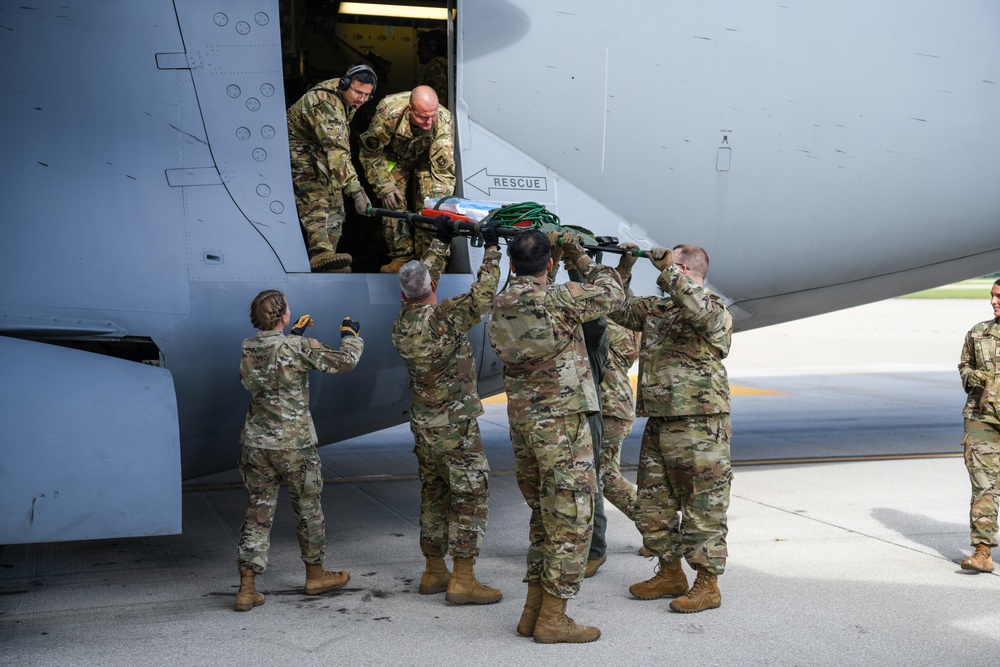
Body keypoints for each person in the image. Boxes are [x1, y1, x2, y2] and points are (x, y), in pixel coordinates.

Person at [488, 230, 625, 643]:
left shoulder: (502, 301)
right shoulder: (561, 298)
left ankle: (533, 612)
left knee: (545, 518)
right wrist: (579, 254)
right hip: (563, 423)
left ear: (512, 266)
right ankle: (554, 618)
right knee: (572, 520)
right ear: (549, 264)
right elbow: (613, 294)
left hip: (525, 424)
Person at [610, 244, 733, 614]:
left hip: (700, 423)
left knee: (702, 505)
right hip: (661, 419)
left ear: (680, 267)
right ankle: (669, 573)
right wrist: (624, 267)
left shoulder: (713, 306)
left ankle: (707, 584)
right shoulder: (659, 308)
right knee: (653, 504)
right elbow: (616, 307)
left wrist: (672, 273)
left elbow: (704, 316)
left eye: (668, 265)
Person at [390, 221, 503, 604]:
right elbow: (483, 295)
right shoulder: (444, 319)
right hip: (456, 428)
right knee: (471, 497)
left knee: (434, 493)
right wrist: (491, 248)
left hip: (424, 429)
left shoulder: (402, 324)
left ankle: (434, 571)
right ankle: (464, 579)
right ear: (432, 288)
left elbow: (422, 283)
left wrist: (439, 242)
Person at [234, 290, 364, 612]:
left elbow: (262, 372)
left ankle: (247, 588)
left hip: (257, 444)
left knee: (258, 513)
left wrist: (292, 338)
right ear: (283, 316)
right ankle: (316, 575)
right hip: (295, 446)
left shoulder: (249, 347)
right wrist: (351, 337)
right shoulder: (298, 347)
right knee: (308, 511)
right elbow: (345, 363)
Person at [546, 237, 610, 579]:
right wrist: (555, 260)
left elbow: (595, 305)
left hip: (587, 412)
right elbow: (548, 300)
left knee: (590, 482)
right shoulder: (563, 314)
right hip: (562, 410)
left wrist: (577, 260)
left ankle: (595, 549)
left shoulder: (592, 327)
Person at [287, 63, 377, 273]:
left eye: (366, 95)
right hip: (299, 148)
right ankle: (320, 251)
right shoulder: (326, 102)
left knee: (337, 204)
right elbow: (337, 152)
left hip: (321, 149)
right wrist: (356, 191)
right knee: (315, 194)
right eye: (357, 92)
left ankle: (328, 260)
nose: (361, 99)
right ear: (345, 84)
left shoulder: (347, 101)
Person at [359, 85, 455, 274]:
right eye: (422, 117)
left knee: (431, 204)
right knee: (391, 200)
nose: (428, 123)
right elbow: (370, 153)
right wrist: (384, 187)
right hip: (395, 158)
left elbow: (443, 173)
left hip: (427, 160)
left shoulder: (442, 119)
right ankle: (401, 256)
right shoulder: (389, 111)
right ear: (410, 110)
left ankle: (429, 259)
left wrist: (436, 205)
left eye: (432, 116)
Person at [958, 278, 1000, 573]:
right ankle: (982, 551)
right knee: (983, 486)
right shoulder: (978, 332)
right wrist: (972, 376)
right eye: (992, 295)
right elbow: (964, 365)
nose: (993, 301)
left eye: (999, 296)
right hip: (981, 418)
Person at [417, 29, 449, 109]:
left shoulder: (435, 67)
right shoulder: (443, 64)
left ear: (432, 47)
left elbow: (439, 103)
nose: (418, 51)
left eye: (421, 46)